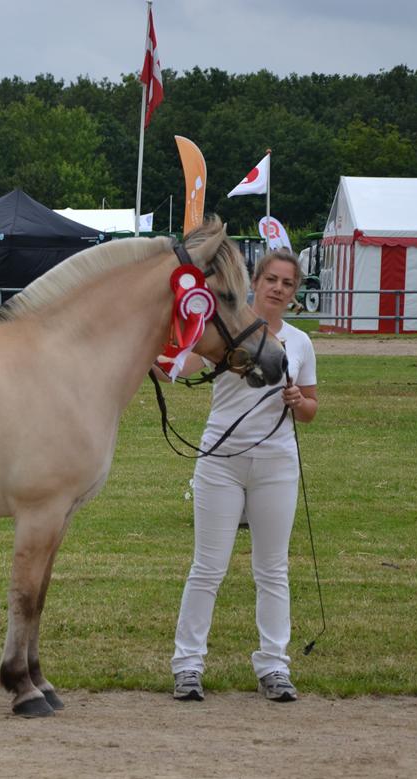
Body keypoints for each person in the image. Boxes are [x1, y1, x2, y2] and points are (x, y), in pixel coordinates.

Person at [169, 249, 318, 703]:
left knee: (272, 569)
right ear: (254, 281)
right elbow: (181, 364)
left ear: (295, 293)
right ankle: (188, 665)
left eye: (287, 283)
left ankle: (274, 665)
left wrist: (297, 400)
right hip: (221, 461)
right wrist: (171, 350)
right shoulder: (227, 329)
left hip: (276, 464)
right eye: (270, 279)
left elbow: (311, 409)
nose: (277, 288)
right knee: (207, 568)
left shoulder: (300, 343)